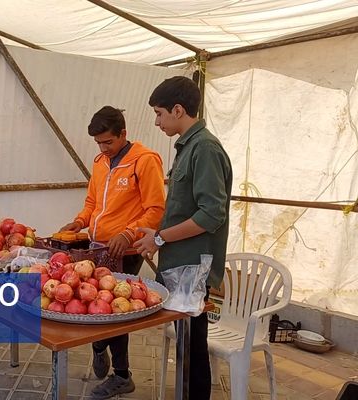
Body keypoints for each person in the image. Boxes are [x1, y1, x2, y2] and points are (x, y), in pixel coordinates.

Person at [134, 76, 233, 400]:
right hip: (181, 265)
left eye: (160, 113)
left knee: (192, 349)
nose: (157, 121)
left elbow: (210, 214)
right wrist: (158, 232)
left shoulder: (204, 148)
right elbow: (184, 208)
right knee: (187, 347)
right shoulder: (189, 147)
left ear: (179, 109)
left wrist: (160, 238)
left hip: (194, 269)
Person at [60, 105, 166, 399]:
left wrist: (128, 232)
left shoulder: (145, 161)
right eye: (98, 143)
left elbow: (156, 209)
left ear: (123, 134)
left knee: (117, 310)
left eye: (108, 142)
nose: (104, 148)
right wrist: (80, 221)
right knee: (94, 301)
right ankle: (98, 345)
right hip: (97, 246)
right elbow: (93, 202)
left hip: (128, 250)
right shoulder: (100, 162)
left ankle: (122, 376)